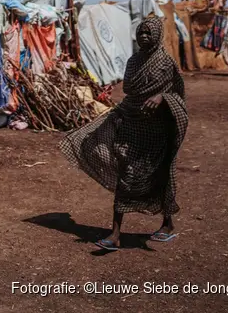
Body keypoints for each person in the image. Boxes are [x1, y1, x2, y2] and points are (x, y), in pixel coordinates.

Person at [59, 16, 188, 251]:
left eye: (149, 33)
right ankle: (115, 233)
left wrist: (162, 97)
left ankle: (167, 223)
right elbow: (129, 89)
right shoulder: (133, 61)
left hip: (157, 129)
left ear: (158, 35)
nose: (144, 37)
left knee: (160, 174)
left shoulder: (166, 63)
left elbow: (179, 95)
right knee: (125, 175)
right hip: (131, 123)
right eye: (140, 33)